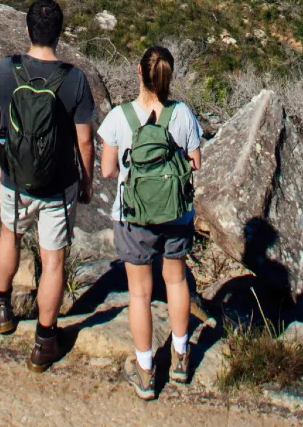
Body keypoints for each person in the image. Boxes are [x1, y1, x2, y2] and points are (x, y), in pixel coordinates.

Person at [0, 0, 96, 373]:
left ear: (28, 30)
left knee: (9, 236)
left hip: (15, 178)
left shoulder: (4, 71)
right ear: (59, 35)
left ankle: (1, 307)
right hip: (58, 185)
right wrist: (86, 181)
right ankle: (45, 342)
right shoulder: (74, 79)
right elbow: (85, 141)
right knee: (53, 260)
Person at [95, 44, 202, 400]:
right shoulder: (183, 114)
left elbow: (108, 170)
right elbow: (195, 162)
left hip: (133, 215)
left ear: (139, 73)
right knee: (176, 280)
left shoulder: (119, 116)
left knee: (139, 294)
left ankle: (145, 372)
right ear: (170, 77)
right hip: (176, 213)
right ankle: (181, 357)